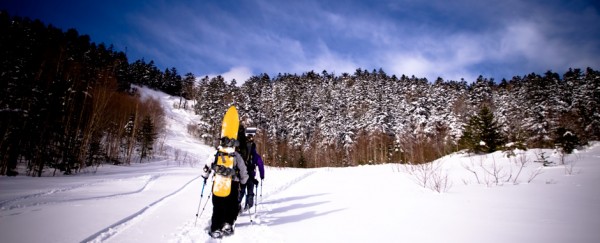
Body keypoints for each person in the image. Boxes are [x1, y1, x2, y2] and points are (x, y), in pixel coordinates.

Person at [201, 136, 249, 238]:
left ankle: (215, 228)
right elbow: (243, 171)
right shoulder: (236, 155)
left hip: (218, 182)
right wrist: (243, 182)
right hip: (232, 184)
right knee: (231, 205)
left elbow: (207, 166)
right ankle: (228, 224)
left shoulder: (216, 153)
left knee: (218, 206)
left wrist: (205, 177)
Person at [238, 133, 265, 212]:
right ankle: (249, 207)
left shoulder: (242, 154)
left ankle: (237, 206)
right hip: (251, 176)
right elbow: (260, 165)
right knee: (250, 192)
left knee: (241, 191)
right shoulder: (256, 155)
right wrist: (262, 176)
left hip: (242, 175)